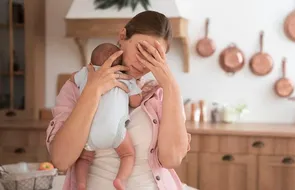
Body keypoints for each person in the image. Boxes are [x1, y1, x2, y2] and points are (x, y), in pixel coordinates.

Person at [46, 10, 191, 190]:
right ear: (122, 35)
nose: (143, 62)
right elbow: (61, 160)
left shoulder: (160, 94)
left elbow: (172, 158)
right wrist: (93, 91)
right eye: (141, 50)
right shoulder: (78, 86)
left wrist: (171, 86)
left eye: (153, 56)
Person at [73, 43, 142, 190]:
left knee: (84, 158)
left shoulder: (87, 73)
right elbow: (136, 102)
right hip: (114, 130)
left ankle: (80, 183)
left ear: (91, 63)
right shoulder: (125, 78)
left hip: (88, 129)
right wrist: (135, 86)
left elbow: (73, 81)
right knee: (128, 155)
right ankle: (120, 180)